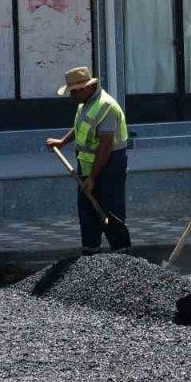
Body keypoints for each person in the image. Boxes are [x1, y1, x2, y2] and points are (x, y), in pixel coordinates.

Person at [45, 66, 132, 255]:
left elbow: (105, 146)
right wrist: (62, 142)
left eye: (74, 91)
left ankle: (123, 255)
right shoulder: (86, 104)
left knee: (110, 210)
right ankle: (90, 253)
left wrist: (93, 177)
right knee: (87, 212)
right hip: (87, 166)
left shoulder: (106, 106)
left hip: (109, 166)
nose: (72, 96)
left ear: (87, 88)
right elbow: (81, 127)